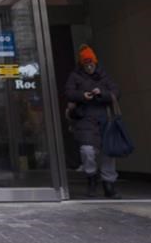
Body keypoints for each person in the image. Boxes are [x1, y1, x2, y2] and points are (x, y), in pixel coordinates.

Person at [64, 44, 121, 199]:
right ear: (82, 64)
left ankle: (109, 184)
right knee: (87, 151)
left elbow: (116, 92)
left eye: (91, 64)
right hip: (85, 118)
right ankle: (91, 177)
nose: (89, 67)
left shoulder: (104, 76)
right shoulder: (75, 76)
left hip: (105, 118)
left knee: (108, 152)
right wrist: (83, 96)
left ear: (95, 63)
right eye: (86, 64)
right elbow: (69, 93)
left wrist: (101, 93)